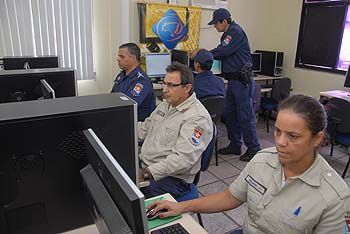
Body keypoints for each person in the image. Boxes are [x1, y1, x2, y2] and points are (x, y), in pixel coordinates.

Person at [148, 94, 350, 233]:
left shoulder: (335, 198)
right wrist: (181, 207)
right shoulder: (263, 159)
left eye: (293, 136)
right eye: (278, 131)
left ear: (317, 139)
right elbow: (230, 197)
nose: (280, 142)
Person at [138, 62, 213, 199]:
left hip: (172, 179)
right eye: (164, 83)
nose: (165, 89)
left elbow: (182, 160)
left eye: (171, 85)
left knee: (130, 199)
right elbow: (144, 129)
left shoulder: (197, 118)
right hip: (147, 166)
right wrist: (120, 129)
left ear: (187, 88)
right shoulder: (166, 105)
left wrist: (146, 173)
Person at [205, 8, 260, 161]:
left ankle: (254, 148)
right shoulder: (228, 33)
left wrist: (204, 54)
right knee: (230, 114)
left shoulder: (234, 32)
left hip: (242, 81)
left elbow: (223, 51)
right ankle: (235, 144)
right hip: (233, 81)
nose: (215, 27)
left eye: (216, 24)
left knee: (245, 116)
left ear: (224, 21)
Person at [111, 42, 155, 121]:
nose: (117, 59)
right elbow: (112, 96)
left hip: (136, 125)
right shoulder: (121, 75)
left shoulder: (141, 81)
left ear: (133, 58)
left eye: (122, 57)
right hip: (121, 118)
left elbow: (128, 107)